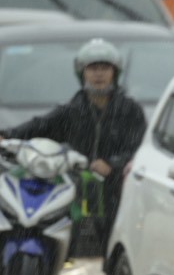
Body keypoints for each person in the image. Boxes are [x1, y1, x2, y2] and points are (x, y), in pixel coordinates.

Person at [0, 39, 146, 261]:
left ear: (115, 73)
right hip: (76, 187)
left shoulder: (130, 111)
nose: (99, 74)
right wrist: (8, 136)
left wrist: (112, 164)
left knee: (112, 238)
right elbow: (40, 126)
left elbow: (140, 148)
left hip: (115, 189)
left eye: (104, 68)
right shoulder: (72, 110)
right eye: (93, 68)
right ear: (82, 73)